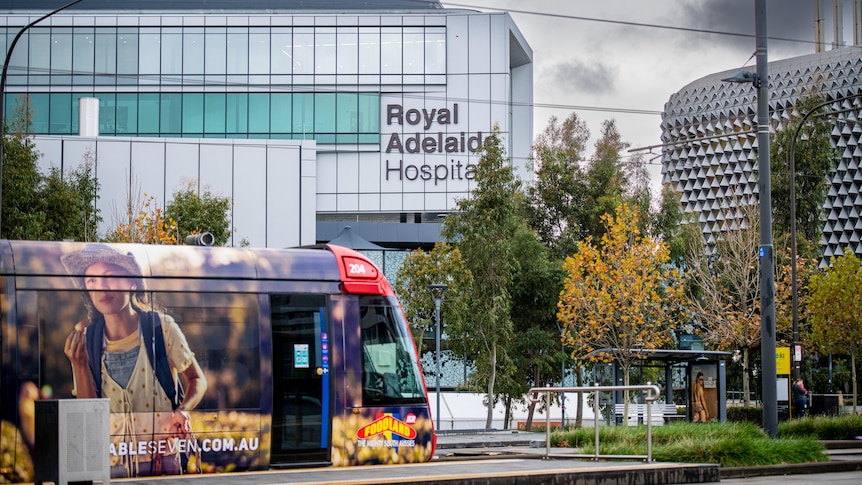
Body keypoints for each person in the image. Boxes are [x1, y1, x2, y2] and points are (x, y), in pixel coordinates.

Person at [62, 244, 207, 478]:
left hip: (163, 459)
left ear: (132, 282)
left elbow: (197, 379)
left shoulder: (162, 327)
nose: (102, 287)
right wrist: (79, 364)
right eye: (92, 281)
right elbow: (89, 413)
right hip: (111, 465)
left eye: (110, 277)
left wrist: (183, 410)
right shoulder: (87, 340)